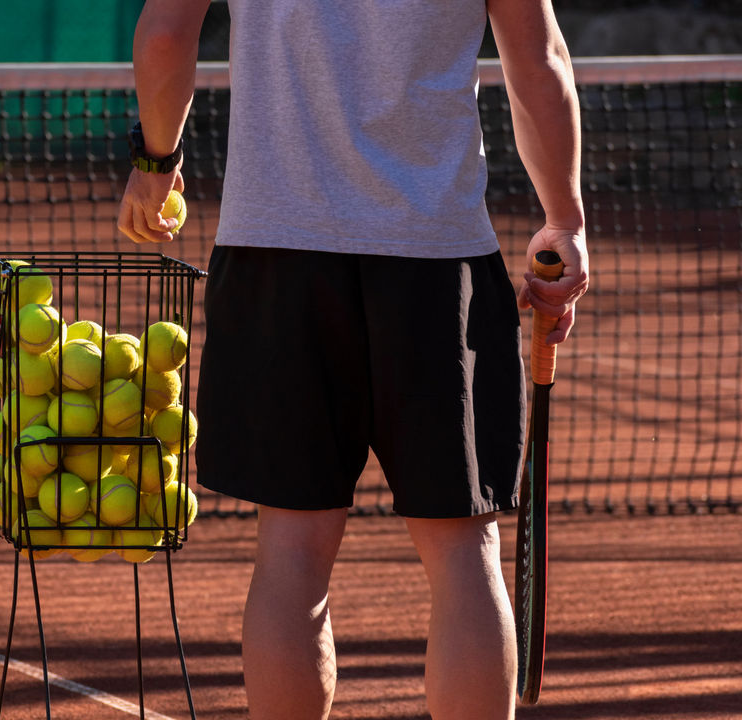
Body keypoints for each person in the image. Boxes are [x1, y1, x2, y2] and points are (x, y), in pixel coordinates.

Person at [117, 1, 589, 718]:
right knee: (466, 553)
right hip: (437, 261)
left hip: (276, 256)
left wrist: (157, 165)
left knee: (292, 553)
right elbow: (539, 62)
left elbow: (163, 34)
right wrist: (565, 221)